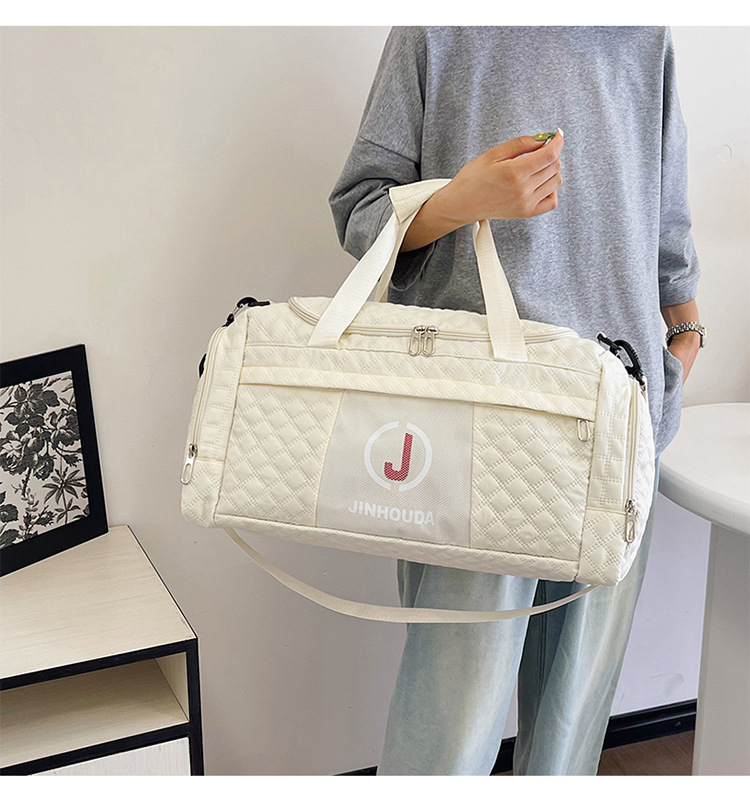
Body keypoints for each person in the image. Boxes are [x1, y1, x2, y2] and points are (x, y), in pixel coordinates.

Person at [328, 26, 704, 776]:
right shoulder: (437, 31)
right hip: (479, 422)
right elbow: (359, 213)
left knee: (571, 722)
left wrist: (684, 339)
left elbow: (666, 226)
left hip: (618, 411)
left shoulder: (641, 37)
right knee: (449, 725)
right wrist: (461, 200)